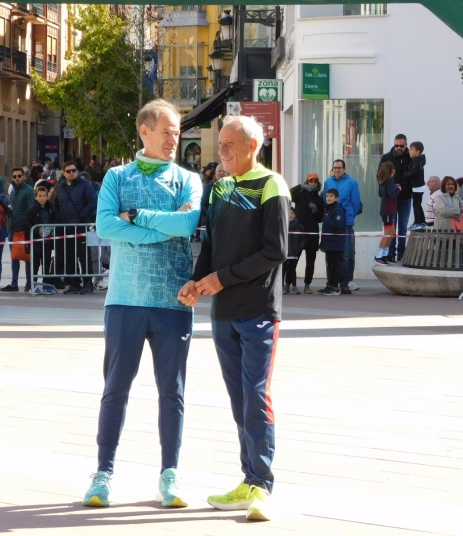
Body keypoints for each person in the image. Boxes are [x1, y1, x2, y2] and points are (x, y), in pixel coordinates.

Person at [82, 99, 202, 508]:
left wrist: (137, 219)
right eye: (167, 130)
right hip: (125, 301)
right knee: (115, 390)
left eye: (178, 131)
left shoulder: (188, 180)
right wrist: (160, 226)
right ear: (144, 131)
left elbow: (187, 224)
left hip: (174, 300)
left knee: (173, 392)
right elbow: (105, 225)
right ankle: (103, 473)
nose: (175, 138)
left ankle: (170, 474)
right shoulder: (116, 176)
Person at [178, 114, 289, 522]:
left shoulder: (271, 184)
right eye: (220, 144)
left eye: (229, 144)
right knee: (239, 399)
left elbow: (274, 251)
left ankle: (262, 485)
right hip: (222, 312)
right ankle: (248, 479)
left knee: (256, 397)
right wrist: (196, 281)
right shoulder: (218, 187)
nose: (221, 151)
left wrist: (220, 279)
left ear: (251, 146)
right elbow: (210, 243)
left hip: (258, 310)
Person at [52, 161, 97, 295]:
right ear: (63, 173)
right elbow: (55, 203)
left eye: (74, 170)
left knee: (84, 256)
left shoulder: (84, 185)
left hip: (80, 226)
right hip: (66, 227)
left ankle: (88, 283)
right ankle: (74, 283)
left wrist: (83, 215)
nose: (72, 173)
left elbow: (93, 201)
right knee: (69, 256)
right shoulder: (61, 186)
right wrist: (58, 217)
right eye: (68, 171)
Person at [322, 159, 361, 294]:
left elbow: (356, 204)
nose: (337, 170)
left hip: (345, 224)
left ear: (344, 169)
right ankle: (331, 283)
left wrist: (348, 217)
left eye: (339, 168)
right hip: (331, 224)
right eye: (335, 168)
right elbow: (325, 201)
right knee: (330, 255)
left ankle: (345, 283)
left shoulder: (352, 183)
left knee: (345, 254)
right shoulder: (328, 182)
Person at [0, 167, 35, 293]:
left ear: (24, 176)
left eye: (19, 176)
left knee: (27, 257)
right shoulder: (13, 191)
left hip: (24, 228)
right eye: (14, 177)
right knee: (14, 257)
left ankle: (29, 283)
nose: (17, 178)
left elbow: (32, 209)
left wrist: (27, 226)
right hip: (12, 228)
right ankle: (14, 283)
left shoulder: (29, 190)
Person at [379, 134, 412, 262]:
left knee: (403, 227)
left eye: (401, 146)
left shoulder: (411, 158)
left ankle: (401, 254)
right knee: (392, 228)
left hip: (406, 198)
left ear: (406, 145)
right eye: (396, 145)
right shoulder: (387, 158)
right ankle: (390, 254)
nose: (398, 148)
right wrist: (383, 192)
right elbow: (380, 176)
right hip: (391, 199)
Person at [289, 173, 324, 293]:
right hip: (299, 230)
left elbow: (320, 218)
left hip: (312, 231)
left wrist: (315, 211)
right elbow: (288, 194)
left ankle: (307, 285)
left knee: (311, 261)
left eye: (315, 181)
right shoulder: (300, 194)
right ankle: (289, 284)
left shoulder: (319, 199)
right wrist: (300, 186)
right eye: (310, 181)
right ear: (307, 182)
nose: (313, 183)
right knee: (293, 259)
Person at [23, 185, 57, 295]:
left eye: (44, 196)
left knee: (47, 264)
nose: (42, 198)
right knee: (35, 264)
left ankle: (46, 284)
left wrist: (52, 230)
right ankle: (33, 284)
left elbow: (54, 221)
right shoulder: (31, 210)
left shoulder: (50, 209)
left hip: (47, 242)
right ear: (36, 197)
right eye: (40, 196)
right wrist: (37, 230)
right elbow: (27, 225)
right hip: (36, 243)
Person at [318, 188, 346, 295]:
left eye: (331, 196)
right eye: (327, 196)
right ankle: (329, 284)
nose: (328, 198)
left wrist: (327, 219)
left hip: (336, 243)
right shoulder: (327, 209)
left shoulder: (338, 209)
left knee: (335, 265)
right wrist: (323, 242)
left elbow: (338, 224)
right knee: (329, 265)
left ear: (336, 198)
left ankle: (334, 287)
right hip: (328, 243)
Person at [375, 161, 401, 265]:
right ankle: (378, 256)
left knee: (392, 233)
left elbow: (381, 194)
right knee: (388, 234)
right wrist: (398, 189)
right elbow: (392, 194)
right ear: (392, 170)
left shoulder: (383, 181)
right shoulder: (390, 181)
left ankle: (385, 255)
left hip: (388, 210)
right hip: (388, 211)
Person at [283, 206, 305, 294]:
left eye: (292, 213)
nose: (290, 215)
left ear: (295, 215)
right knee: (283, 270)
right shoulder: (282, 225)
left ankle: (294, 286)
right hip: (284, 253)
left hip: (295, 253)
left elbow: (303, 239)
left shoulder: (299, 227)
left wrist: (299, 248)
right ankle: (281, 287)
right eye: (288, 213)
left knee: (292, 270)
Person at [406, 141, 427, 230]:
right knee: (418, 204)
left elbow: (412, 173)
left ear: (418, 152)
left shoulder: (416, 162)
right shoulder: (418, 161)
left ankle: (417, 222)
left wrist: (405, 174)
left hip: (417, 186)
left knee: (415, 205)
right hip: (419, 186)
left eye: (411, 150)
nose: (409, 152)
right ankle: (422, 222)